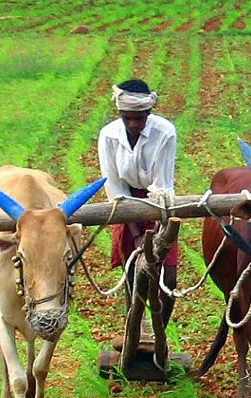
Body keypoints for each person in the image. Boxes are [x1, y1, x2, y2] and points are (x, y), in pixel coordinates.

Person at [98, 79, 178, 327]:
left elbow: (162, 184)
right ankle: (135, 328)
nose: (133, 124)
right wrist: (134, 234)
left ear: (148, 112)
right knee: (134, 271)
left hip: (159, 203)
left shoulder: (165, 132)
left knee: (168, 277)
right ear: (120, 114)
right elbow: (114, 186)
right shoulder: (109, 135)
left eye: (139, 118)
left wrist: (158, 236)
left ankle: (159, 334)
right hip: (125, 204)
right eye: (127, 118)